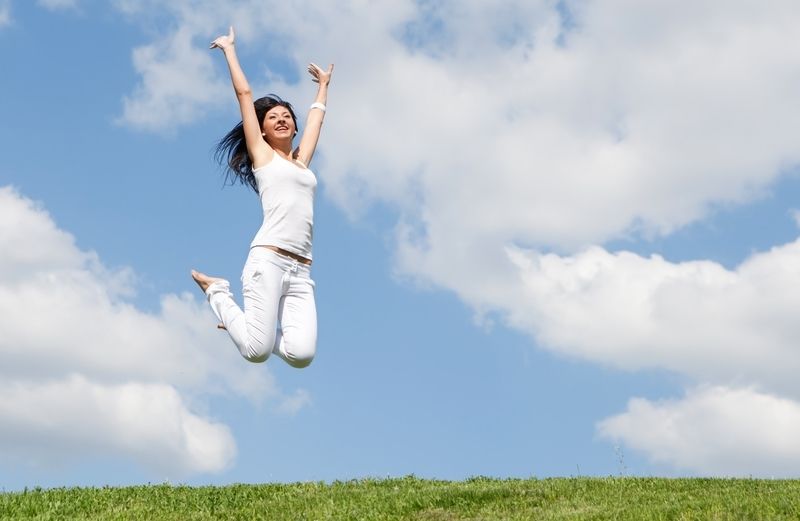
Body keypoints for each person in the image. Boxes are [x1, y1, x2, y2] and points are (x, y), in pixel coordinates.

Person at [191, 26, 332, 368]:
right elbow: (244, 93)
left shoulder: (301, 163)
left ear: (293, 128)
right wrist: (229, 50)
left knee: (302, 356)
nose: (281, 120)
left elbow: (316, 123)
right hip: (267, 260)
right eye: (273, 118)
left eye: (287, 117)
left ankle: (253, 330)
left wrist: (323, 87)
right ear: (264, 130)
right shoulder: (263, 157)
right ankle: (217, 290)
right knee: (256, 352)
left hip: (301, 268)